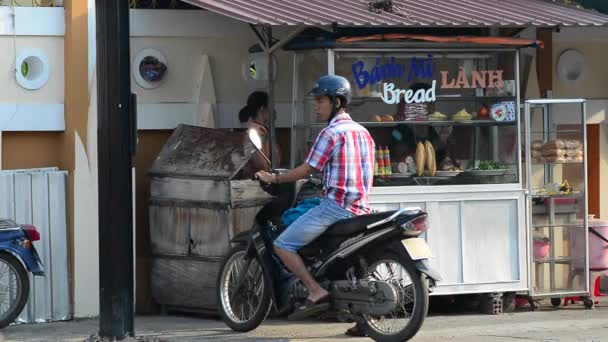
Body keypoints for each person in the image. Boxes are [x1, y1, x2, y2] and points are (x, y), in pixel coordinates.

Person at [255, 75, 376, 322]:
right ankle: (362, 320)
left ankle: (315, 290)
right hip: (361, 209)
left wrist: (274, 178)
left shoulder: (330, 133)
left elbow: (305, 170)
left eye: (320, 101)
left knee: (282, 244)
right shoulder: (364, 132)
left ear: (337, 102)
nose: (316, 106)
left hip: (336, 207)